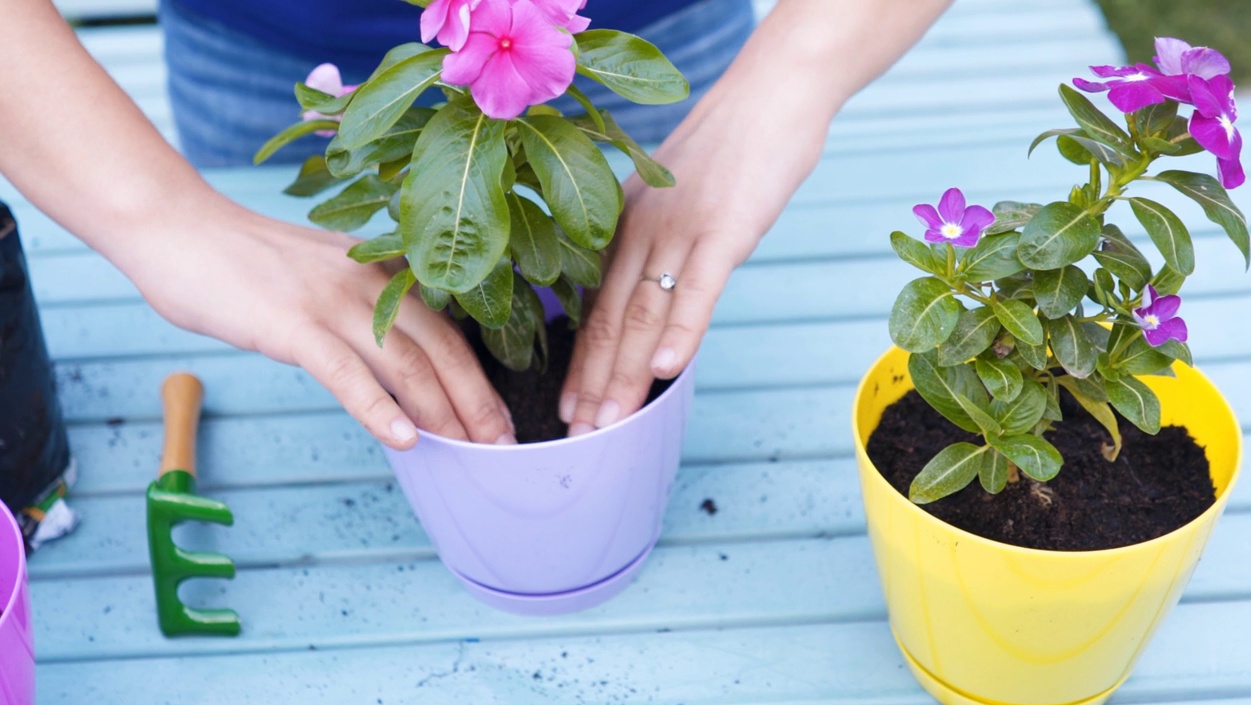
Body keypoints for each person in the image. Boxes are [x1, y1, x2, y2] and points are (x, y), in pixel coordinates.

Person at [2, 0, 951, 451]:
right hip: (266, 51)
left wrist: (795, 72)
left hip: (629, 34)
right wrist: (156, 213)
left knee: (622, 284)